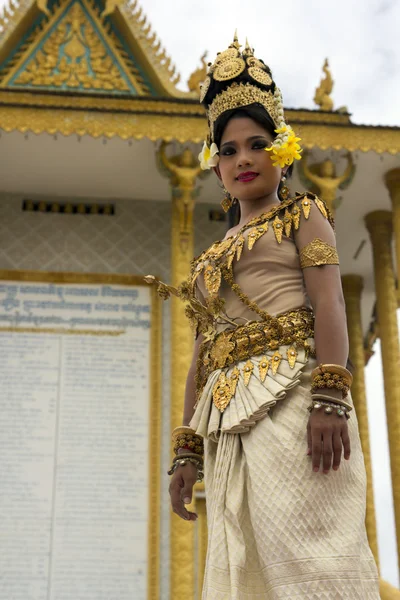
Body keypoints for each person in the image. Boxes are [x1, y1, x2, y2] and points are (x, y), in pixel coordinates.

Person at [147, 34, 380, 599]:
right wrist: (186, 448)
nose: (243, 159)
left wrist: (329, 397)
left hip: (295, 407)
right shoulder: (208, 258)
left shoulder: (304, 217)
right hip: (229, 422)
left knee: (310, 560)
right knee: (242, 565)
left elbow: (328, 304)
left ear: (281, 151)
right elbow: (203, 353)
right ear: (216, 168)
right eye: (228, 151)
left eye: (256, 144)